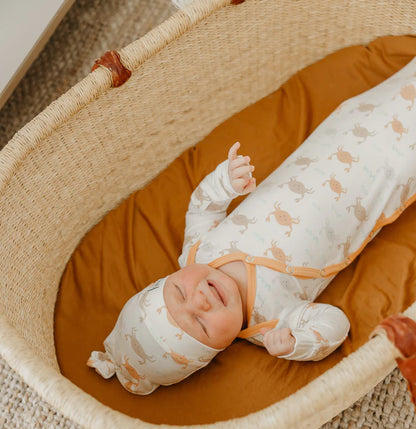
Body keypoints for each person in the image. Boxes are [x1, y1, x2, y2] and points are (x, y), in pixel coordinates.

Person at [87, 57, 416, 394]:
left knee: (375, 103)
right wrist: (295, 343)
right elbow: (335, 325)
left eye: (179, 291)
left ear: (165, 280)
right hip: (378, 185)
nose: (199, 299)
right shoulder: (271, 321)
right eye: (200, 323)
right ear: (216, 350)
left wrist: (225, 184)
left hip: (333, 143)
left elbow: (202, 207)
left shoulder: (197, 253)